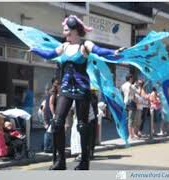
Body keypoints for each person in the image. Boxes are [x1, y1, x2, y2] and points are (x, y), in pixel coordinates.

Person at [30, 15, 124, 170]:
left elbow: (100, 51)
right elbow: (49, 54)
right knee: (57, 123)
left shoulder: (85, 45)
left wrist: (113, 53)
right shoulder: (64, 46)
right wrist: (35, 49)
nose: (64, 32)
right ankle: (61, 161)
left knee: (82, 125)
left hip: (82, 89)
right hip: (66, 89)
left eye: (66, 29)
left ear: (74, 30)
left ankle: (84, 161)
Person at [43, 78, 60, 153]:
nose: (58, 84)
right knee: (50, 131)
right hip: (50, 113)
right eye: (56, 83)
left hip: (47, 112)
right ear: (53, 83)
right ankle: (48, 148)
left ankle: (47, 146)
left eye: (58, 83)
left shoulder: (51, 90)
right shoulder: (53, 91)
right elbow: (51, 103)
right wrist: (53, 114)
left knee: (49, 130)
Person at [121, 74, 138, 140]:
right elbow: (134, 95)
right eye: (132, 78)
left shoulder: (123, 86)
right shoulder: (131, 86)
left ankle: (131, 134)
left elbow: (122, 94)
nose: (133, 79)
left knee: (128, 119)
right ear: (130, 78)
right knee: (131, 119)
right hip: (131, 102)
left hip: (125, 102)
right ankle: (131, 135)